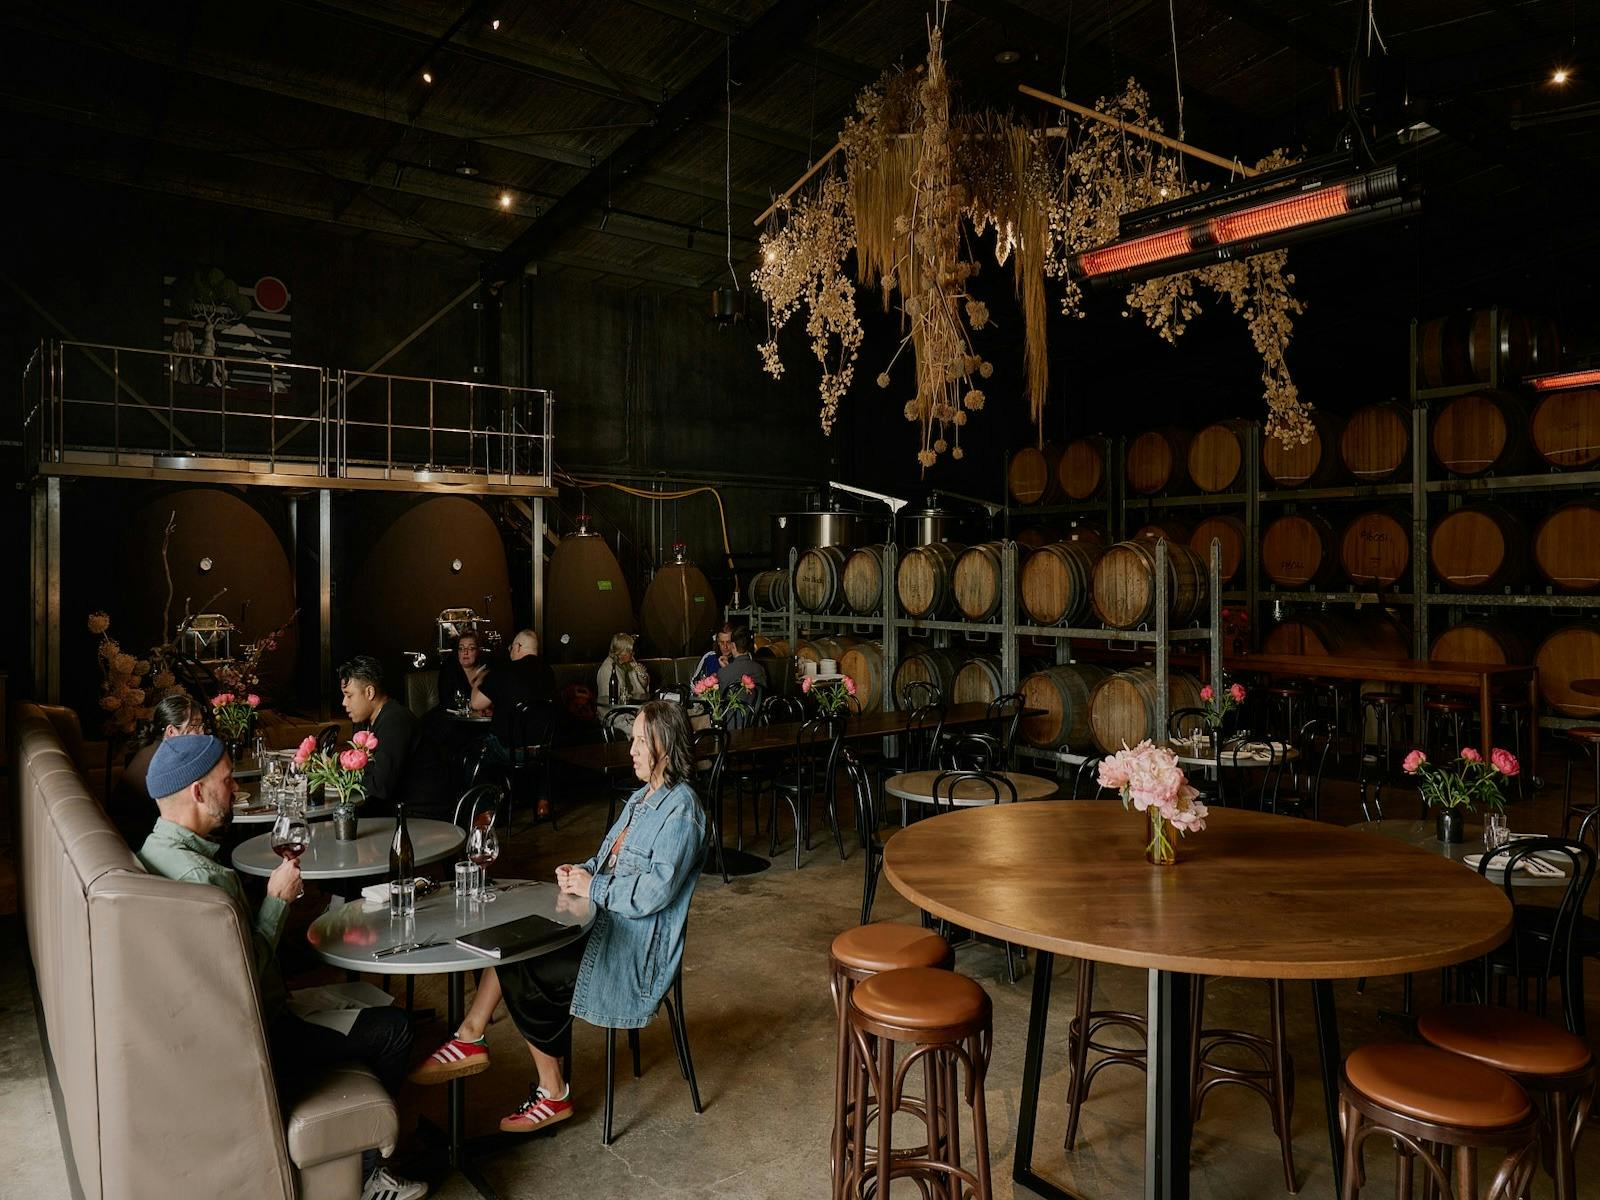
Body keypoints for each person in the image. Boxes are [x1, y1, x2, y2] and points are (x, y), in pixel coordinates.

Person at [136, 735, 425, 1200]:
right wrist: (276, 903)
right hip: (261, 1036)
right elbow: (244, 975)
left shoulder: (157, 851)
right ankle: (370, 1176)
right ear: (196, 792)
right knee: (394, 1027)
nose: (235, 791)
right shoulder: (202, 881)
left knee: (365, 1000)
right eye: (228, 781)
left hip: (218, 1033)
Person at [410, 701, 705, 1135]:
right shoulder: (641, 799)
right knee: (511, 938)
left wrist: (593, 888)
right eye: (634, 740)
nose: (633, 751)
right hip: (603, 929)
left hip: (632, 956)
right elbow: (607, 860)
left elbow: (652, 894)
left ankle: (550, 1091)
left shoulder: (682, 811)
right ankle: (471, 1033)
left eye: (641, 740)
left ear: (666, 744)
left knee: (522, 961)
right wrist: (581, 870)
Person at [340, 655, 450, 819]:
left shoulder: (395, 720)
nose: (344, 703)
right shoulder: (365, 721)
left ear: (369, 692)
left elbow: (380, 787)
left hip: (421, 814)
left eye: (349, 696)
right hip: (394, 807)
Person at [107, 692, 207, 847]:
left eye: (202, 725)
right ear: (171, 731)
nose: (202, 733)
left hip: (136, 839)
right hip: (140, 845)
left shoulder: (154, 748)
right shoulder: (164, 760)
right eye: (195, 726)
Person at [472, 629, 557, 760]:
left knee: (470, 748)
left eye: (511, 647)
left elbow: (476, 704)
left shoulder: (505, 671)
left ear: (517, 647)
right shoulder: (549, 672)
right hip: (543, 750)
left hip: (510, 750)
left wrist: (479, 679)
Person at [714, 626, 766, 723]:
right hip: (755, 725)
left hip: (731, 725)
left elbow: (719, 702)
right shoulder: (760, 669)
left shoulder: (724, 672)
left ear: (733, 645)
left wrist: (725, 669)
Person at [596, 632, 650, 713]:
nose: (633, 653)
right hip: (615, 712)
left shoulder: (630, 662)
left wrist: (642, 676)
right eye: (630, 651)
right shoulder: (607, 669)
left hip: (634, 707)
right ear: (620, 652)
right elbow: (608, 701)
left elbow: (642, 688)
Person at [437, 631, 488, 712]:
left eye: (471, 648)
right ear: (458, 652)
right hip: (449, 718)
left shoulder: (485, 671)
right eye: (461, 648)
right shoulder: (448, 671)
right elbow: (446, 702)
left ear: (478, 651)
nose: (465, 652)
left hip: (479, 719)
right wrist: (473, 706)